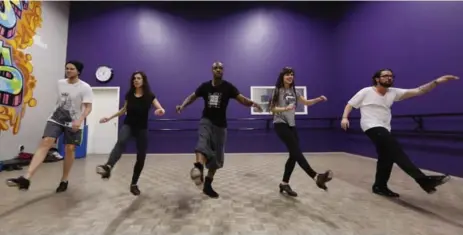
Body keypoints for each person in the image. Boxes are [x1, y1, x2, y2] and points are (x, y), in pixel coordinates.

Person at [341, 68, 459, 197]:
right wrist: (344, 118)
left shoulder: (393, 92)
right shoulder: (366, 91)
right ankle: (422, 179)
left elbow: (419, 91)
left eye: (391, 76)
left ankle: (379, 186)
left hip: (385, 127)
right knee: (395, 149)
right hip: (371, 126)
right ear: (377, 79)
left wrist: (437, 82)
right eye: (385, 76)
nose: (389, 78)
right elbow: (350, 104)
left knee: (386, 157)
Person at [175, 61, 263, 198]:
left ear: (223, 71)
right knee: (202, 143)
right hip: (206, 121)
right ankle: (198, 167)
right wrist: (182, 106)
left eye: (220, 68)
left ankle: (208, 185)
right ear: (212, 70)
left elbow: (242, 99)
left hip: (221, 126)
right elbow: (192, 96)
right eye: (215, 68)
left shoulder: (228, 87)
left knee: (216, 159)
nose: (218, 70)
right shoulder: (205, 86)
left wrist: (253, 104)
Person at [6, 61, 93, 193]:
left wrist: (80, 120)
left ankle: (64, 179)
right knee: (46, 142)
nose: (68, 71)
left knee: (70, 149)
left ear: (78, 71)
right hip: (56, 118)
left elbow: (88, 107)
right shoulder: (60, 83)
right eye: (67, 68)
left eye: (72, 69)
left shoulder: (85, 87)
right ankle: (26, 178)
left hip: (74, 121)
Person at [96, 71, 165, 196]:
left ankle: (134, 184)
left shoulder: (150, 96)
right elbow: (124, 109)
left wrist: (160, 110)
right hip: (129, 125)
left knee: (141, 157)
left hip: (142, 129)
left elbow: (160, 108)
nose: (136, 80)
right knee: (121, 141)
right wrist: (110, 117)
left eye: (138, 78)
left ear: (143, 80)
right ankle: (108, 167)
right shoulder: (130, 95)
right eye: (134, 78)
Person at [269, 67, 333, 197]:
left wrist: (318, 99)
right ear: (282, 76)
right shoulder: (277, 91)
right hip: (280, 124)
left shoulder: (294, 91)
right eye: (287, 74)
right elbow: (272, 109)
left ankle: (284, 183)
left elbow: (306, 103)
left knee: (294, 155)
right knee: (296, 152)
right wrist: (285, 108)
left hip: (292, 125)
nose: (290, 76)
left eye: (292, 74)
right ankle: (315, 176)